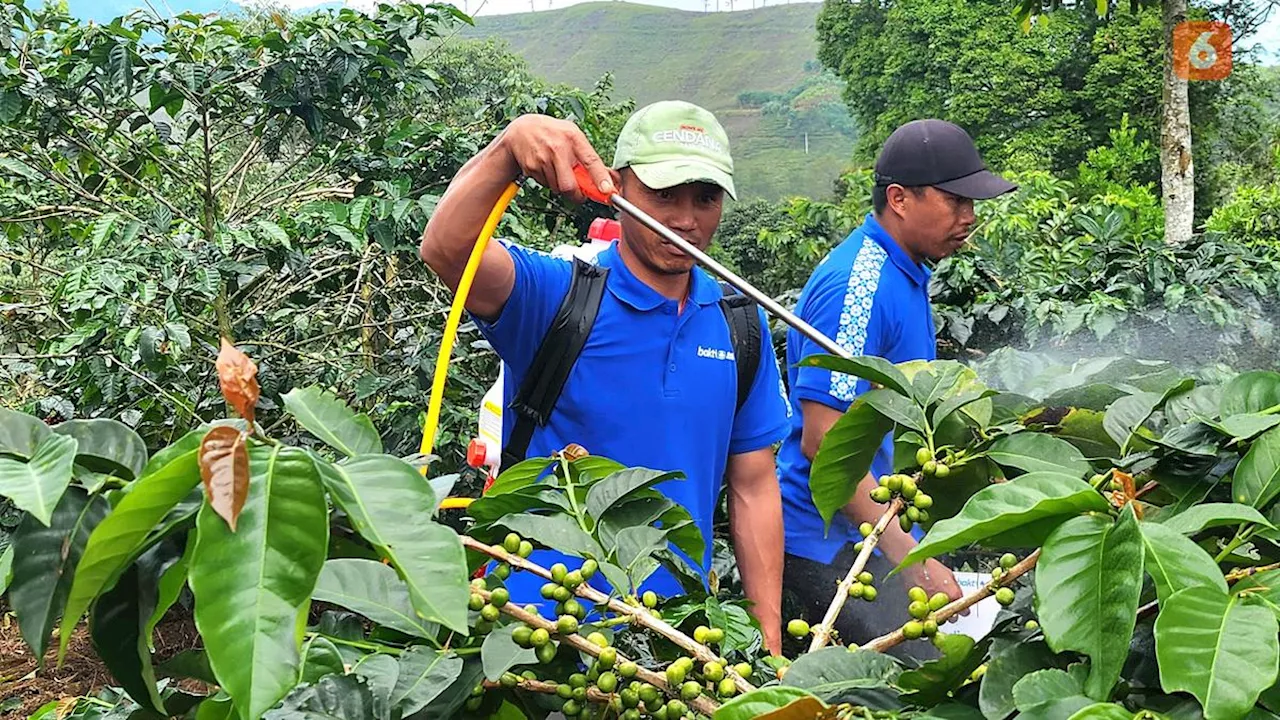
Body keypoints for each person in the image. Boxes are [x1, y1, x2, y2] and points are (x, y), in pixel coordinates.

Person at [419, 101, 792, 654]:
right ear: (615, 188)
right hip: (540, 633)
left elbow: (755, 485)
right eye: (663, 195)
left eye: (705, 198)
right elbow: (447, 252)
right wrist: (508, 150)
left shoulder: (741, 323)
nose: (686, 219)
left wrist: (766, 643)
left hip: (677, 647)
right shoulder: (558, 296)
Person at [776, 119, 1017, 659]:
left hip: (869, 532)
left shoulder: (906, 272)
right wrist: (913, 561)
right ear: (899, 199)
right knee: (919, 681)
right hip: (826, 548)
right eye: (956, 201)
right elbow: (823, 443)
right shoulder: (857, 287)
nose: (970, 217)